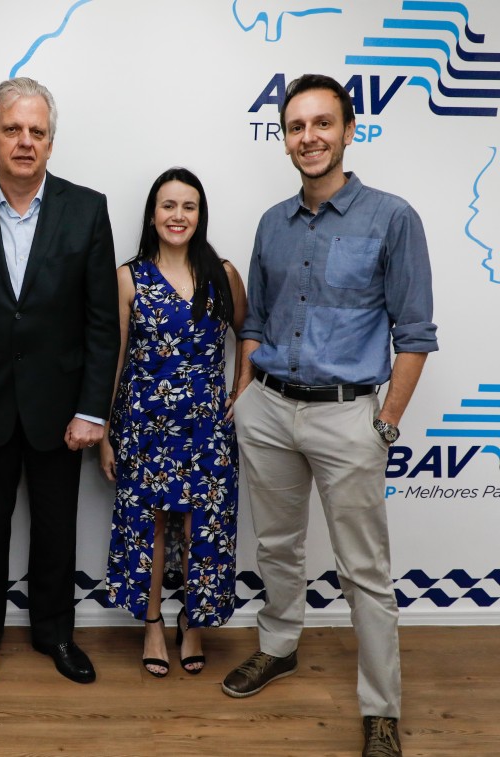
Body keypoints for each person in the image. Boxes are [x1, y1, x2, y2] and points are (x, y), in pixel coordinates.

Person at [220, 74, 437, 757]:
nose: (308, 137)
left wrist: (387, 419)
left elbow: (416, 332)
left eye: (322, 124)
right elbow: (252, 316)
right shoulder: (271, 224)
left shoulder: (392, 217)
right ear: (282, 138)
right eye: (295, 126)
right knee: (278, 546)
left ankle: (381, 707)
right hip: (270, 410)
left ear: (349, 131)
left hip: (349, 418)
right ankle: (279, 645)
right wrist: (246, 390)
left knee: (363, 570)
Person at [0, 77, 120, 688]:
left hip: (59, 407)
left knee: (57, 528)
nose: (25, 141)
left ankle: (54, 635)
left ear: (50, 143)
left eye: (37, 131)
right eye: (12, 129)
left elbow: (100, 322)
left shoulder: (87, 209)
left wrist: (93, 409)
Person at [102, 167, 246, 678]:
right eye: (168, 205)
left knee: (201, 522)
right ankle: (151, 625)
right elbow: (116, 359)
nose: (178, 215)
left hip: (207, 421)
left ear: (200, 214)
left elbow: (247, 333)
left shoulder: (223, 273)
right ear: (152, 213)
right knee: (152, 525)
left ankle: (194, 623)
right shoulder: (128, 276)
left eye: (188, 206)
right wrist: (106, 433)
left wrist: (241, 388)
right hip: (145, 421)